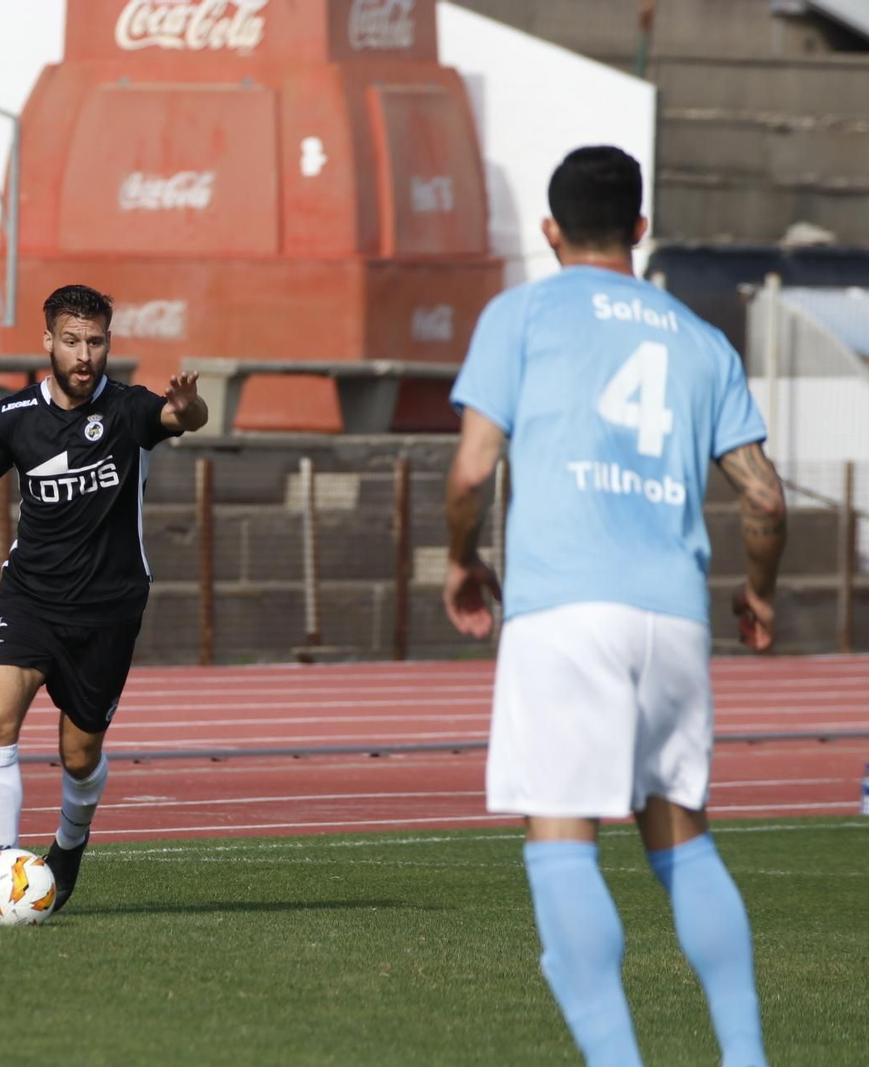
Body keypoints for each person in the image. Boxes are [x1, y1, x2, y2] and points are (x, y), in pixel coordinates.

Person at [444, 146, 785, 1067]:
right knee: (683, 838)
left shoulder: (518, 313)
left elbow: (473, 466)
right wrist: (755, 595)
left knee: (562, 840)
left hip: (564, 608)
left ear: (549, 231)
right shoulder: (699, 338)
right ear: (640, 229)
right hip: (672, 614)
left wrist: (463, 560)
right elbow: (765, 499)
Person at [0, 283, 208, 917]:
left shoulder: (128, 411)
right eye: (72, 340)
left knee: (79, 754)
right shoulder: (10, 420)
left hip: (109, 611)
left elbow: (183, 420)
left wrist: (190, 404)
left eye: (95, 341)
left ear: (108, 343)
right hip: (30, 599)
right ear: (49, 342)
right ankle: (2, 867)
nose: (84, 353)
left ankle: (69, 844)